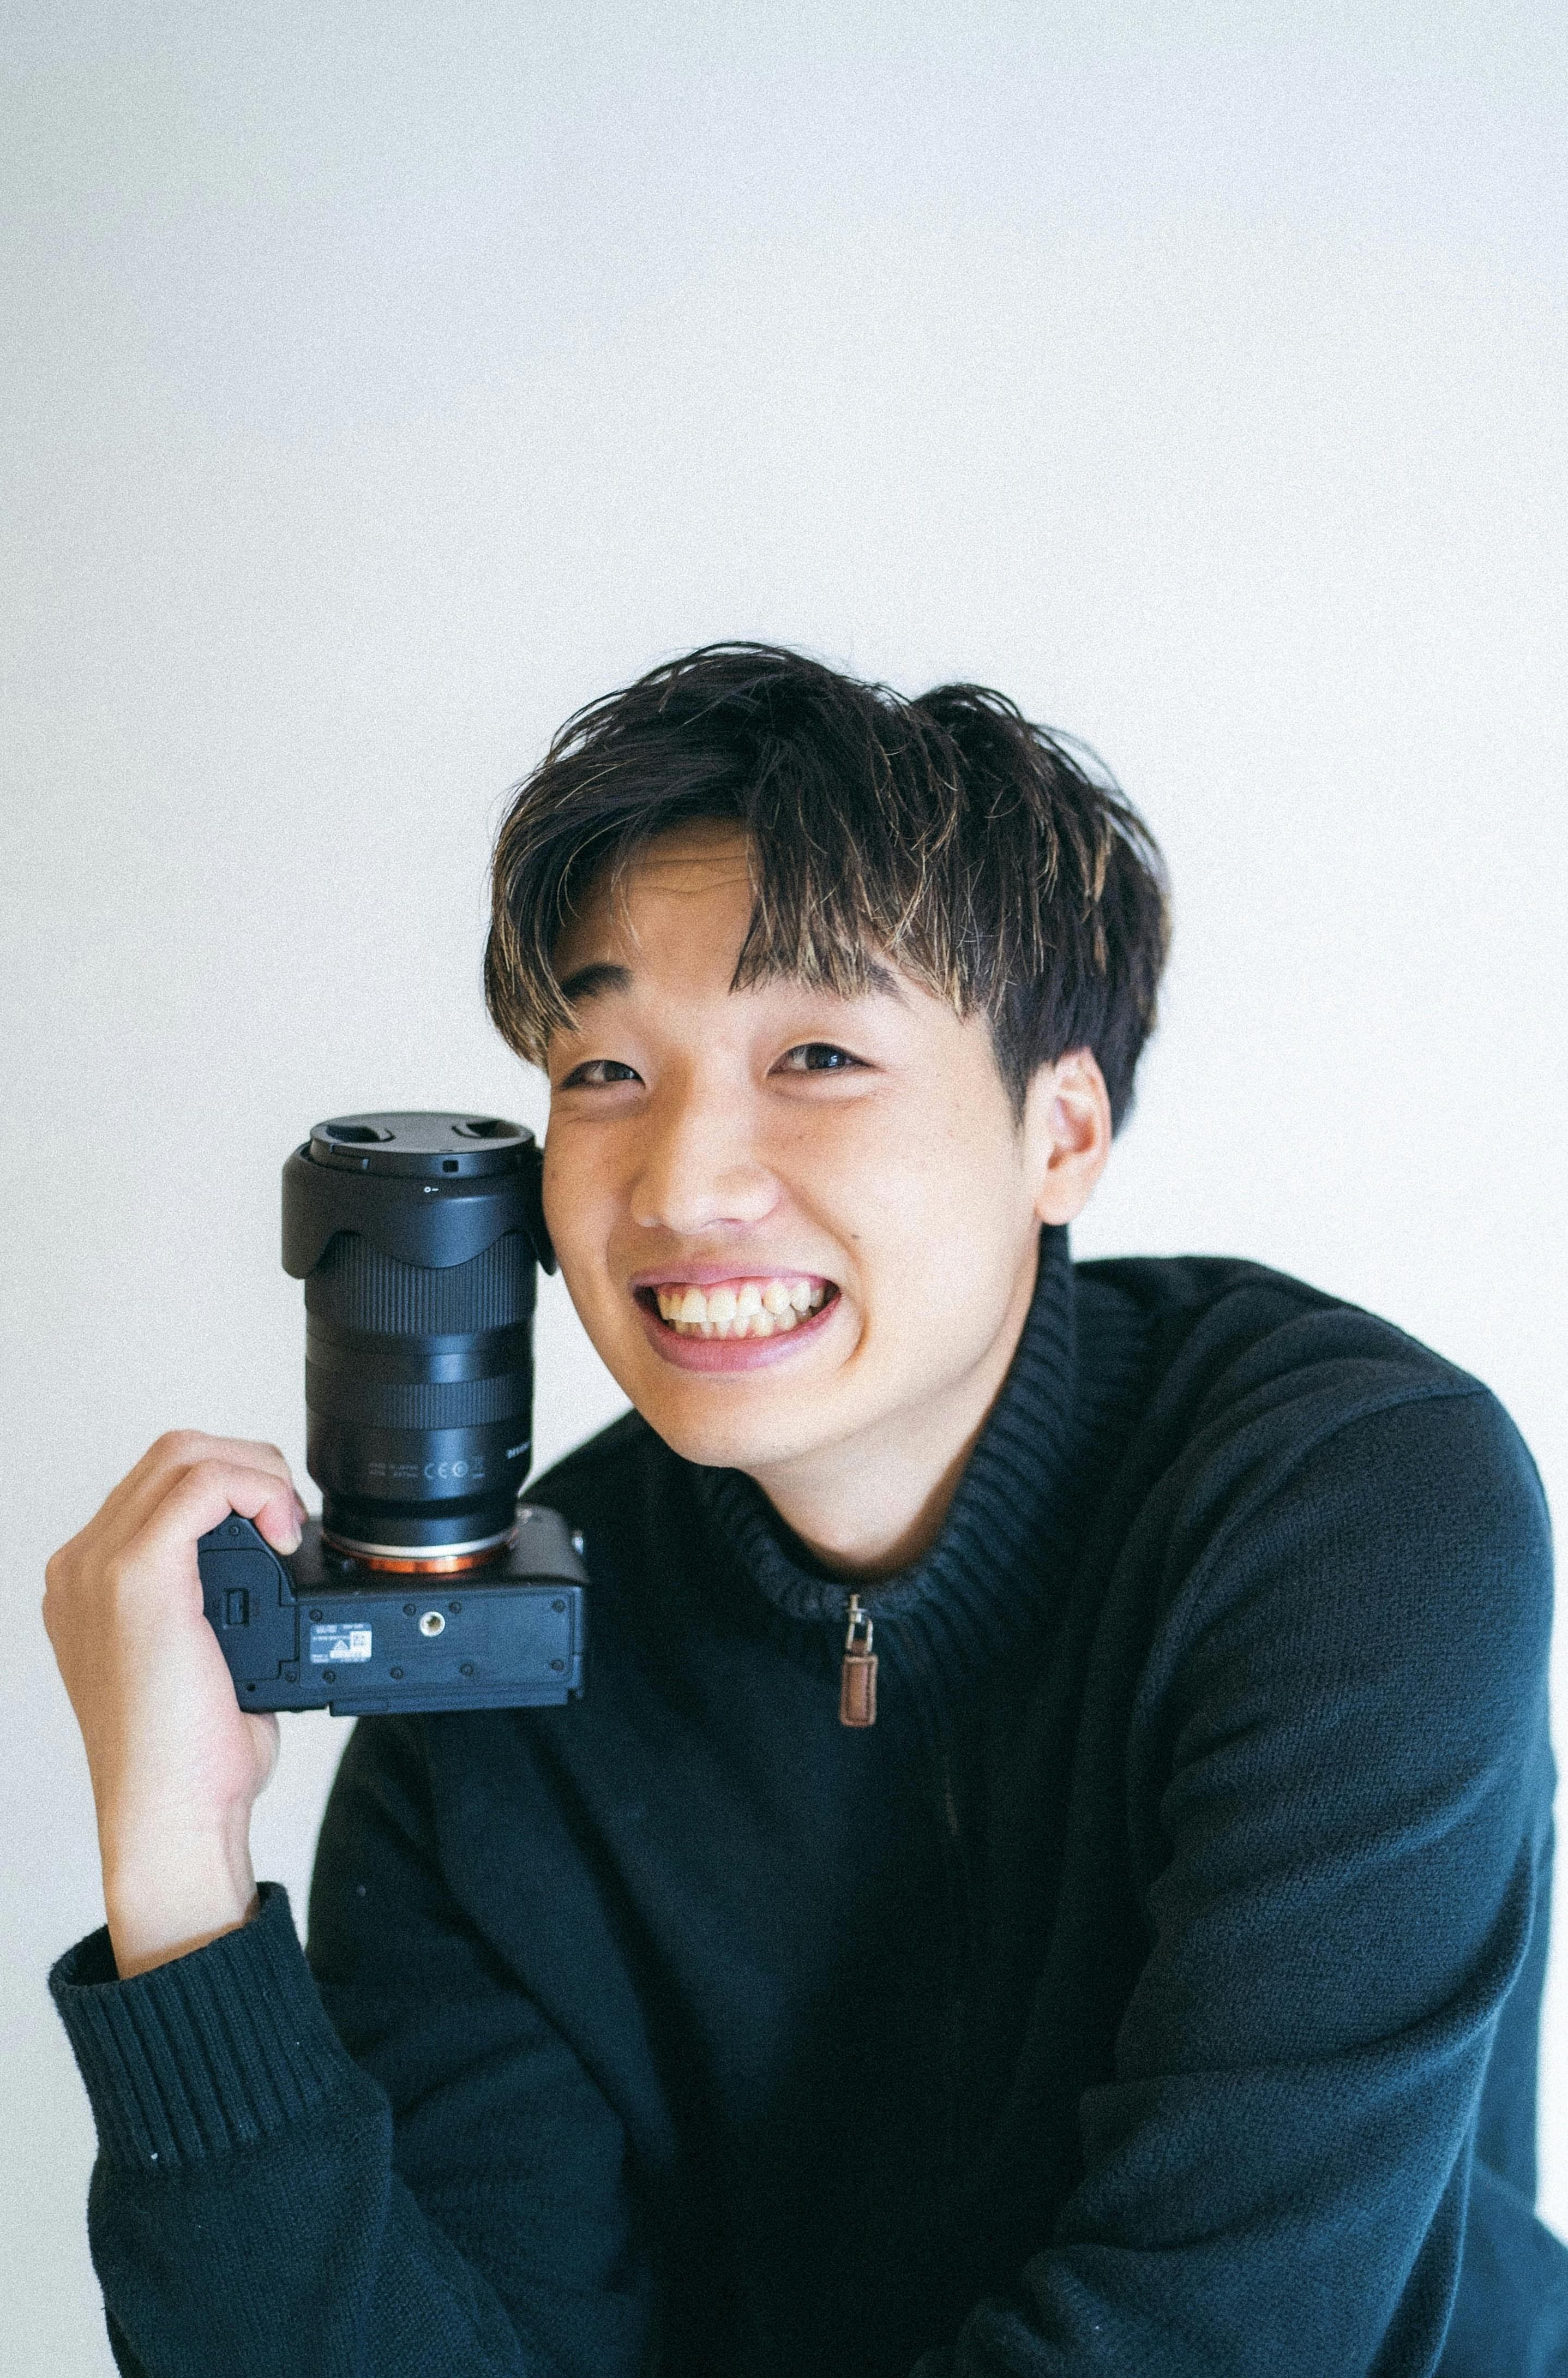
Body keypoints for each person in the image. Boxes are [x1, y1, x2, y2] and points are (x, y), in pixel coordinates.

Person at [44, 644, 1567, 2376]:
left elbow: (1213, 2337)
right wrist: (177, 1882)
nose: (682, 1184)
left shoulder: (1351, 1508)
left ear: (1060, 1130)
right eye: (602, 1071)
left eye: (821, 1054)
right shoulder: (499, 1680)